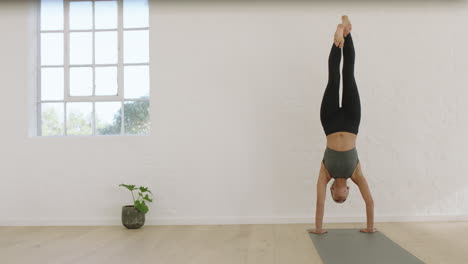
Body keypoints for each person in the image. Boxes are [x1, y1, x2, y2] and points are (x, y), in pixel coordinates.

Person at [307, 16, 376, 234]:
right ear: (347, 190)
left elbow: (319, 203)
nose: (341, 192)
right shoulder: (356, 174)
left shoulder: (325, 174)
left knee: (333, 79)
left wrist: (318, 229)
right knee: (349, 75)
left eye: (337, 195)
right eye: (344, 194)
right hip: (352, 121)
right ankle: (347, 33)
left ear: (332, 190)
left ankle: (337, 39)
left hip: (329, 122)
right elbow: (370, 202)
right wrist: (370, 228)